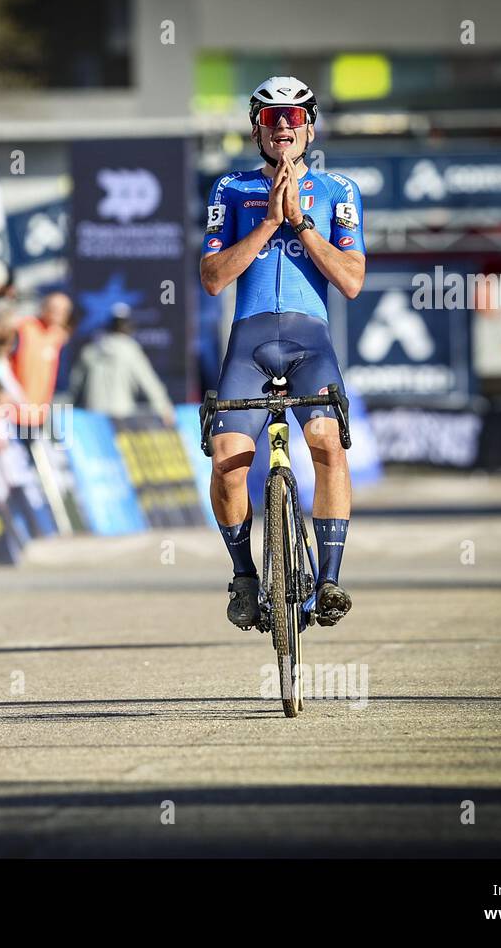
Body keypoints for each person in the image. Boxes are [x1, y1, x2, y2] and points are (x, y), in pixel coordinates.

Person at [199, 76, 365, 630]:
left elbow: (351, 281)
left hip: (309, 343)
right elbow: (213, 280)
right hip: (249, 343)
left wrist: (301, 224)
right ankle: (246, 579)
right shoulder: (230, 189)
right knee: (227, 464)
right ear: (257, 131)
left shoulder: (339, 190)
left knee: (325, 443)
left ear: (310, 127)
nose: (285, 127)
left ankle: (329, 579)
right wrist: (269, 221)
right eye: (274, 120)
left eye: (295, 118)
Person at [68, 303, 174, 421]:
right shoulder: (130, 350)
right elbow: (148, 381)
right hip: (121, 416)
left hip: (93, 416)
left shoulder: (90, 350)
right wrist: (164, 407)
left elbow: (74, 388)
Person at [9, 291, 71, 423]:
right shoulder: (24, 328)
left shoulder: (59, 337)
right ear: (44, 307)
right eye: (54, 309)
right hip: (11, 409)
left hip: (37, 414)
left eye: (62, 311)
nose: (57, 314)